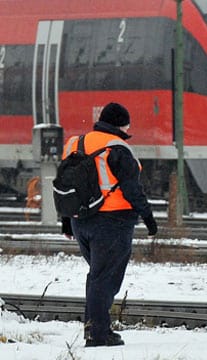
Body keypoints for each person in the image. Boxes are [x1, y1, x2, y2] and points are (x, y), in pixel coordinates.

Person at [61, 102, 158, 347]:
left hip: (80, 222)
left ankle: (92, 328)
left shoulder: (75, 143)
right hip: (112, 222)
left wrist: (65, 222)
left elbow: (66, 185)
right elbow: (132, 188)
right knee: (104, 279)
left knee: (97, 277)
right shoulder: (117, 148)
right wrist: (148, 218)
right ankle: (98, 335)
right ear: (121, 125)